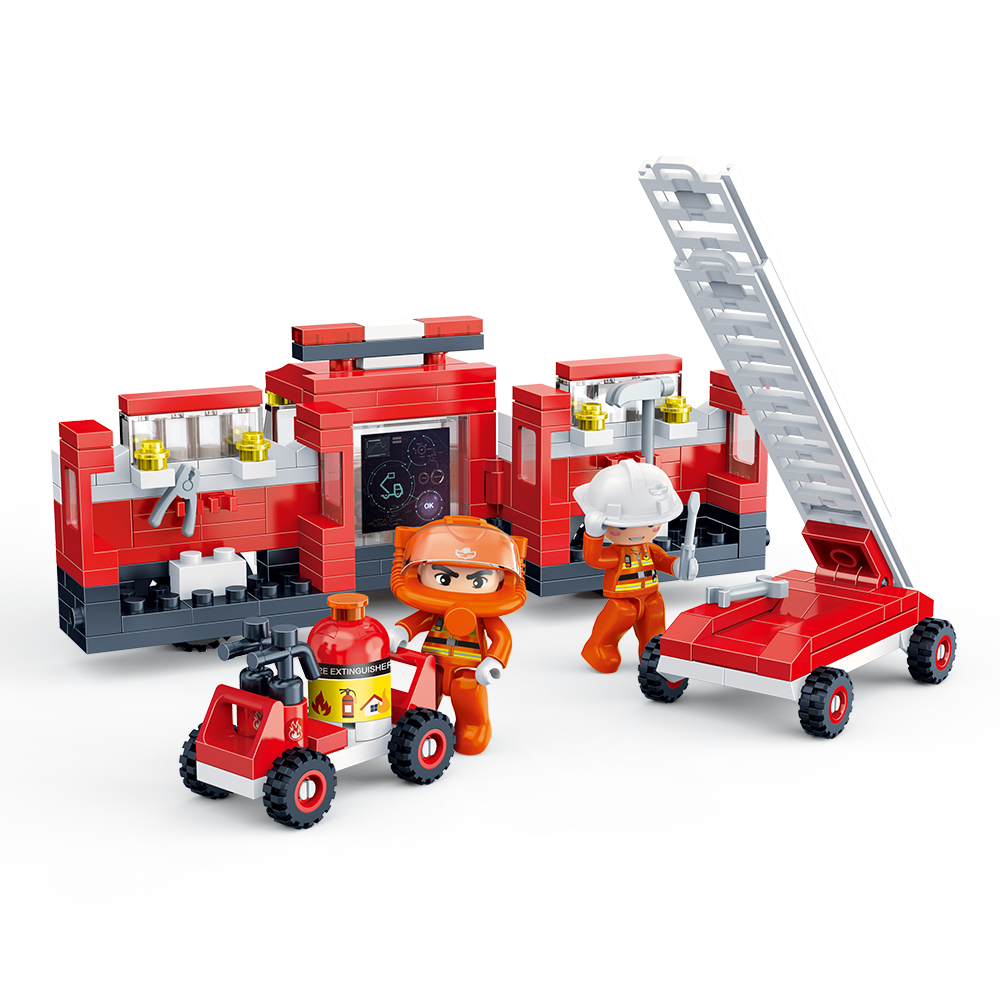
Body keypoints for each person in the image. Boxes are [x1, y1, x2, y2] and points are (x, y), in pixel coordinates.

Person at [388, 516, 527, 754]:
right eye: (444, 578)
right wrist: (400, 631)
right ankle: (420, 730)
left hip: (468, 671)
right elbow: (417, 621)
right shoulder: (434, 611)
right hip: (433, 665)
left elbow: (502, 638)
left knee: (468, 700)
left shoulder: (485, 616)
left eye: (479, 581)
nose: (459, 587)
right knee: (423, 702)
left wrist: (493, 662)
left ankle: (474, 728)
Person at [574, 459, 697, 673]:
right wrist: (593, 536)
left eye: (651, 524)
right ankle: (599, 647)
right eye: (622, 527)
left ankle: (654, 652)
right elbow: (595, 559)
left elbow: (663, 561)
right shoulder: (616, 553)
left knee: (655, 625)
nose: (639, 532)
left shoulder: (650, 549)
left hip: (650, 597)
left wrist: (680, 566)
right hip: (623, 600)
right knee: (615, 621)